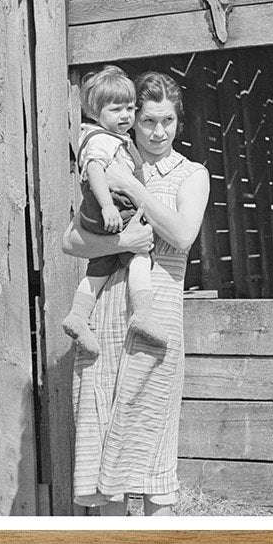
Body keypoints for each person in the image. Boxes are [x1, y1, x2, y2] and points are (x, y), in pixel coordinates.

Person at [62, 71, 211, 517]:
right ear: (133, 120)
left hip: (155, 308)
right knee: (103, 428)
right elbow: (71, 241)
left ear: (177, 121)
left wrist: (134, 189)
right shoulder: (109, 158)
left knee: (150, 435)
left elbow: (182, 236)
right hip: (105, 308)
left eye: (167, 121)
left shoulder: (191, 174)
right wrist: (121, 244)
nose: (157, 131)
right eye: (148, 121)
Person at [61, 65, 168, 355]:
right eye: (116, 109)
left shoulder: (106, 137)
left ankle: (78, 316)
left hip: (103, 207)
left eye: (130, 109)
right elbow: (95, 168)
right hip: (110, 205)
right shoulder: (101, 139)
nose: (125, 116)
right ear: (96, 113)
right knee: (141, 255)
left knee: (101, 264)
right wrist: (108, 206)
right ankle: (143, 314)